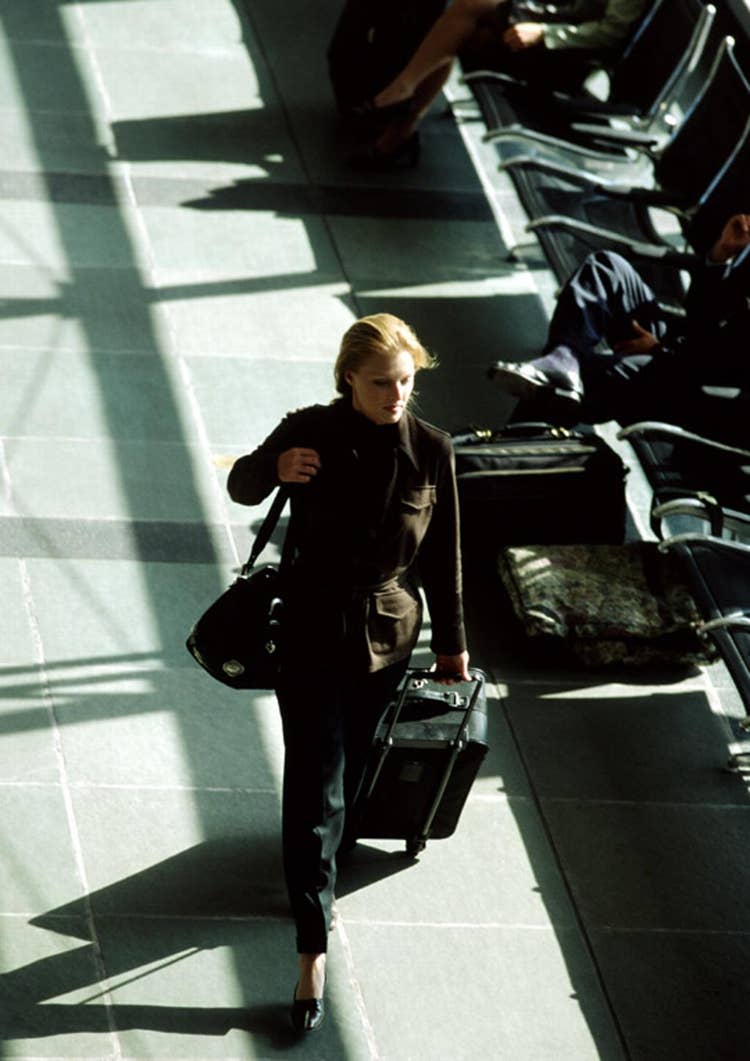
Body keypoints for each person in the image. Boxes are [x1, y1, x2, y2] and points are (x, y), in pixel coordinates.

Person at [227, 314, 469, 1033]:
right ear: (348, 380)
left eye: (406, 380)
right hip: (310, 627)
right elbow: (242, 485)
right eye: (381, 383)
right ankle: (312, 948)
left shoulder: (432, 450)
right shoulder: (310, 429)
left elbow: (444, 556)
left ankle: (322, 867)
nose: (396, 395)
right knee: (314, 780)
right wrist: (275, 468)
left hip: (389, 634)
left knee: (354, 767)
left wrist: (453, 645)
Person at [488, 212, 750, 438]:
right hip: (686, 351)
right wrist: (722, 253)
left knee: (589, 376)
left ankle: (506, 457)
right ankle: (563, 359)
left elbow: (730, 361)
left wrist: (659, 350)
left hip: (709, 394)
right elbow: (704, 316)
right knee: (607, 268)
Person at [351, 0, 648, 169]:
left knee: (461, 22)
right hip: (551, 25)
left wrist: (544, 32)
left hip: (563, 57)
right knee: (462, 21)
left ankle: (402, 110)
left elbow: (611, 33)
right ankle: (401, 121)